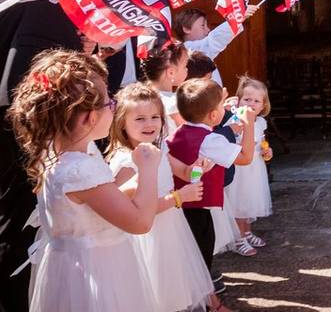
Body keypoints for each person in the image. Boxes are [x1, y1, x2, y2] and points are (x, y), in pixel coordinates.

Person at [6, 50, 160, 312]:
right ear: (90, 117)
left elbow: (87, 207)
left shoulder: (57, 152)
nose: (114, 107)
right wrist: (148, 169)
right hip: (97, 273)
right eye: (110, 103)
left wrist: (124, 189)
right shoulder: (82, 168)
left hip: (67, 267)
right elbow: (140, 222)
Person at [106, 83, 215, 312]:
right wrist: (178, 198)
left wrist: (198, 168)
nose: (150, 124)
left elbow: (185, 172)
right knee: (153, 293)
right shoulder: (126, 161)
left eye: (155, 117)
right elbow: (129, 210)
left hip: (171, 230)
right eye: (140, 119)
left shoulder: (160, 150)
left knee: (173, 289)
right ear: (122, 123)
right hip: (146, 235)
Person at [167, 78, 256, 312]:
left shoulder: (181, 132)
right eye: (221, 108)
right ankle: (208, 306)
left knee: (194, 259)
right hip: (198, 208)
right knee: (200, 260)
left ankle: (212, 303)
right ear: (213, 116)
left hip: (181, 206)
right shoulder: (210, 140)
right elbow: (246, 157)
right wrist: (249, 124)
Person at [225, 76, 274, 254]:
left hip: (255, 168)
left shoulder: (260, 122)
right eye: (247, 99)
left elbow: (261, 142)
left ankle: (247, 232)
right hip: (239, 169)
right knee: (239, 202)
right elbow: (229, 142)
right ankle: (238, 238)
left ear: (263, 105)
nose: (251, 103)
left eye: (256, 101)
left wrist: (266, 151)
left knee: (250, 200)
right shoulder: (234, 120)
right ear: (238, 101)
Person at [173, 6, 258, 86]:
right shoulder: (188, 49)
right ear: (186, 29)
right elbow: (213, 41)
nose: (208, 30)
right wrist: (237, 18)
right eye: (203, 25)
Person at [140, 40, 189, 134]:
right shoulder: (176, 103)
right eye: (185, 66)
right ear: (171, 72)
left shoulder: (138, 99)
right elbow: (189, 136)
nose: (187, 69)